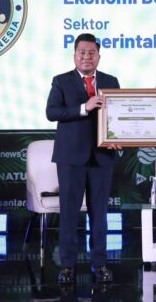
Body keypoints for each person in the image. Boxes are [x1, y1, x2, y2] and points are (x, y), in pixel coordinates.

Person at [46, 33, 120, 285]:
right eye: (82, 52)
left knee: (100, 214)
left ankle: (100, 264)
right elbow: (52, 112)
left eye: (91, 53)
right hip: (70, 158)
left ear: (99, 56)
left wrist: (118, 136)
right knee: (69, 214)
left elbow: (117, 115)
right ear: (74, 55)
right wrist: (83, 107)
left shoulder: (110, 81)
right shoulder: (61, 81)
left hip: (102, 157)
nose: (87, 57)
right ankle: (67, 266)